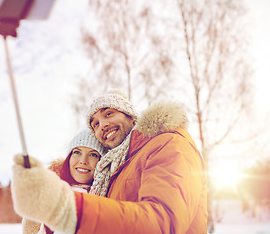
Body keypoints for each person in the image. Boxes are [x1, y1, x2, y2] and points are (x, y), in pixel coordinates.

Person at [11, 91, 208, 234]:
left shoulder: (169, 143)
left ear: (131, 116)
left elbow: (163, 223)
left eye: (109, 114)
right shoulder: (115, 168)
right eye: (95, 123)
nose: (102, 125)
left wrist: (67, 209)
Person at [19, 129, 104, 234]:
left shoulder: (107, 193)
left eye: (93, 154)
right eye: (77, 152)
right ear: (69, 157)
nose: (83, 161)